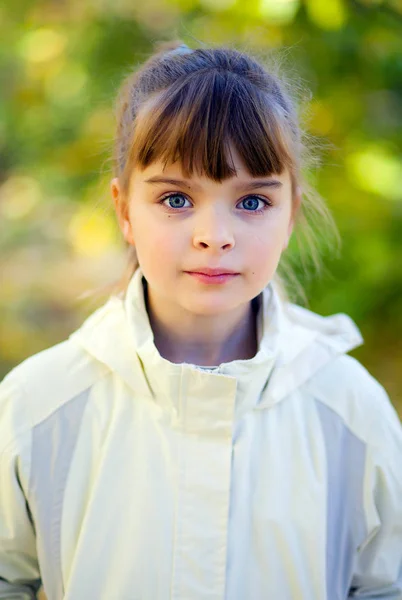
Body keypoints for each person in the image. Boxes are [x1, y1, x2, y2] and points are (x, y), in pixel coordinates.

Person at [0, 40, 401, 600]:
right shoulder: (39, 406)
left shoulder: (350, 411)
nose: (215, 235)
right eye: (176, 199)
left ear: (291, 216)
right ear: (124, 211)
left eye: (253, 202)